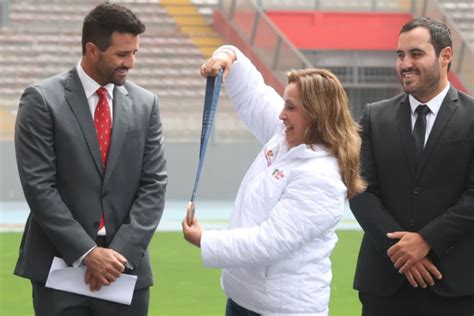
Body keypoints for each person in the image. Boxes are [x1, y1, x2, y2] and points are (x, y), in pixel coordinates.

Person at [182, 46, 366, 315]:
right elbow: (255, 96)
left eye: (290, 108)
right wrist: (229, 56)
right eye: (284, 105)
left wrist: (205, 240)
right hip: (244, 299)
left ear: (315, 114)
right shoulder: (285, 136)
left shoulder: (321, 177)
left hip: (283, 308)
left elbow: (269, 242)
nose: (282, 115)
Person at [14, 3, 167, 316]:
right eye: (122, 54)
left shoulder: (145, 104)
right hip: (59, 268)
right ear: (92, 50)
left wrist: (117, 254)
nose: (131, 63)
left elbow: (154, 185)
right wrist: (87, 253)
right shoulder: (41, 100)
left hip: (124, 270)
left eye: (135, 52)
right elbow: (39, 187)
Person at [349, 17, 474, 316]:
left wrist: (427, 240)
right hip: (385, 286)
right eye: (400, 55)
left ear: (445, 56)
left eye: (416, 54)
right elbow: (360, 190)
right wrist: (403, 252)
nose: (405, 63)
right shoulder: (374, 116)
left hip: (455, 287)